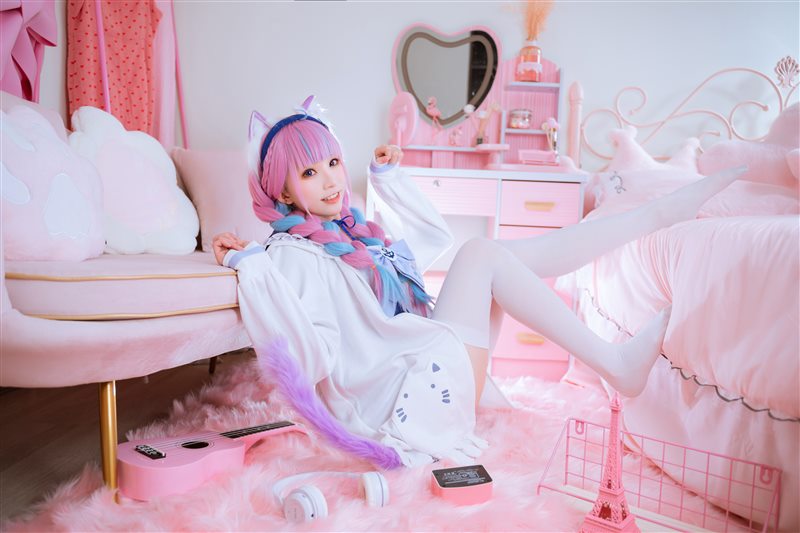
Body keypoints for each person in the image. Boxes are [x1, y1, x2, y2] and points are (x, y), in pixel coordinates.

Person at [213, 98, 743, 467]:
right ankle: (620, 344)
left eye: (332, 162)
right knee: (482, 255)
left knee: (500, 256)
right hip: (409, 401)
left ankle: (655, 216)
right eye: (310, 173)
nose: (331, 180)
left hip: (427, 371)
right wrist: (250, 265)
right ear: (282, 190)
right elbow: (309, 357)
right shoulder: (291, 255)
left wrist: (387, 181)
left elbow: (427, 241)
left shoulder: (348, 232)